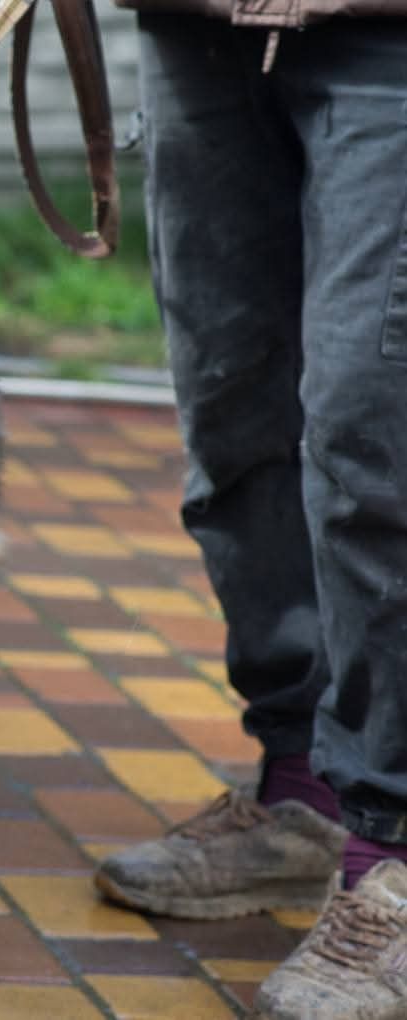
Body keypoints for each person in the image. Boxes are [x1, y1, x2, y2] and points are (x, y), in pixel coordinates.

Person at [92, 3, 407, 1017]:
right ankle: (302, 793)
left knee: (374, 439)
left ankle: (389, 854)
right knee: (233, 420)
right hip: (197, 22)